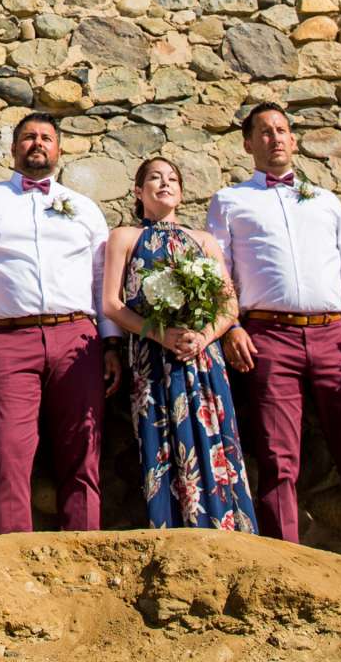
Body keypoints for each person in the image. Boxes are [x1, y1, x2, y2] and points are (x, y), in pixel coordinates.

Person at [208, 103, 341, 568]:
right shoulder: (230, 201)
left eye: (282, 129)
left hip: (335, 335)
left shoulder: (326, 200)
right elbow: (219, 269)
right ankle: (285, 566)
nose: (275, 138)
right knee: (278, 458)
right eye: (264, 132)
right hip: (268, 337)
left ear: (294, 140)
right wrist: (230, 325)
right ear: (248, 144)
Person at [0, 112, 117, 534]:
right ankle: (9, 557)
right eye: (28, 137)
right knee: (5, 451)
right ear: (13, 148)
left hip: (78, 337)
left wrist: (111, 345)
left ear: (59, 149)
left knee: (82, 449)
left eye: (46, 137)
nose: (37, 143)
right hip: (5, 340)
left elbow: (100, 281)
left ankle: (84, 549)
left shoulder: (85, 208)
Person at [99, 157, 255, 532]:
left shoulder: (203, 241)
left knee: (214, 438)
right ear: (139, 191)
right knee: (162, 443)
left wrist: (204, 336)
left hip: (203, 358)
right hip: (153, 357)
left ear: (182, 193)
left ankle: (226, 528)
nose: (164, 183)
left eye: (172, 178)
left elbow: (229, 303)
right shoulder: (125, 237)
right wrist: (159, 334)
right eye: (154, 178)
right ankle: (172, 530)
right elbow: (111, 304)